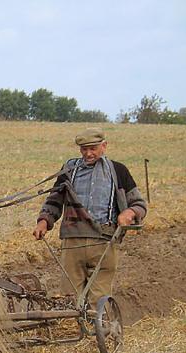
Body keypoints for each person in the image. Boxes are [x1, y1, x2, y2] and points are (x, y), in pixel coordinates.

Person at [32, 127, 147, 307]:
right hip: (73, 242)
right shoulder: (69, 169)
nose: (88, 153)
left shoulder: (118, 171)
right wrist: (44, 221)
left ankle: (97, 330)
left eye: (93, 148)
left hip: (104, 241)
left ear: (104, 146)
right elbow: (54, 199)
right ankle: (74, 330)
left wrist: (129, 213)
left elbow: (139, 204)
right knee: (69, 297)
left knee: (99, 298)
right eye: (84, 149)